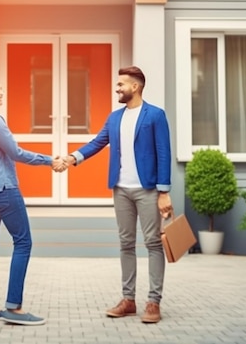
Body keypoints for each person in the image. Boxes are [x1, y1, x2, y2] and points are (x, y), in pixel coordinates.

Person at [64, 66, 172, 324]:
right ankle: (128, 300)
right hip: (121, 189)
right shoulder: (115, 118)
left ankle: (153, 302)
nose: (117, 89)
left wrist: (164, 192)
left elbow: (164, 153)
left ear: (135, 86)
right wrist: (72, 157)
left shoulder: (155, 115)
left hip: (147, 189)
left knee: (153, 243)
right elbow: (97, 143)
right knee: (126, 243)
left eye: (121, 84)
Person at [0, 74, 66, 326]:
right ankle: (14, 307)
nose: (1, 93)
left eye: (1, 88)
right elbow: (16, 153)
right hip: (3, 189)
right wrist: (49, 161)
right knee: (24, 242)